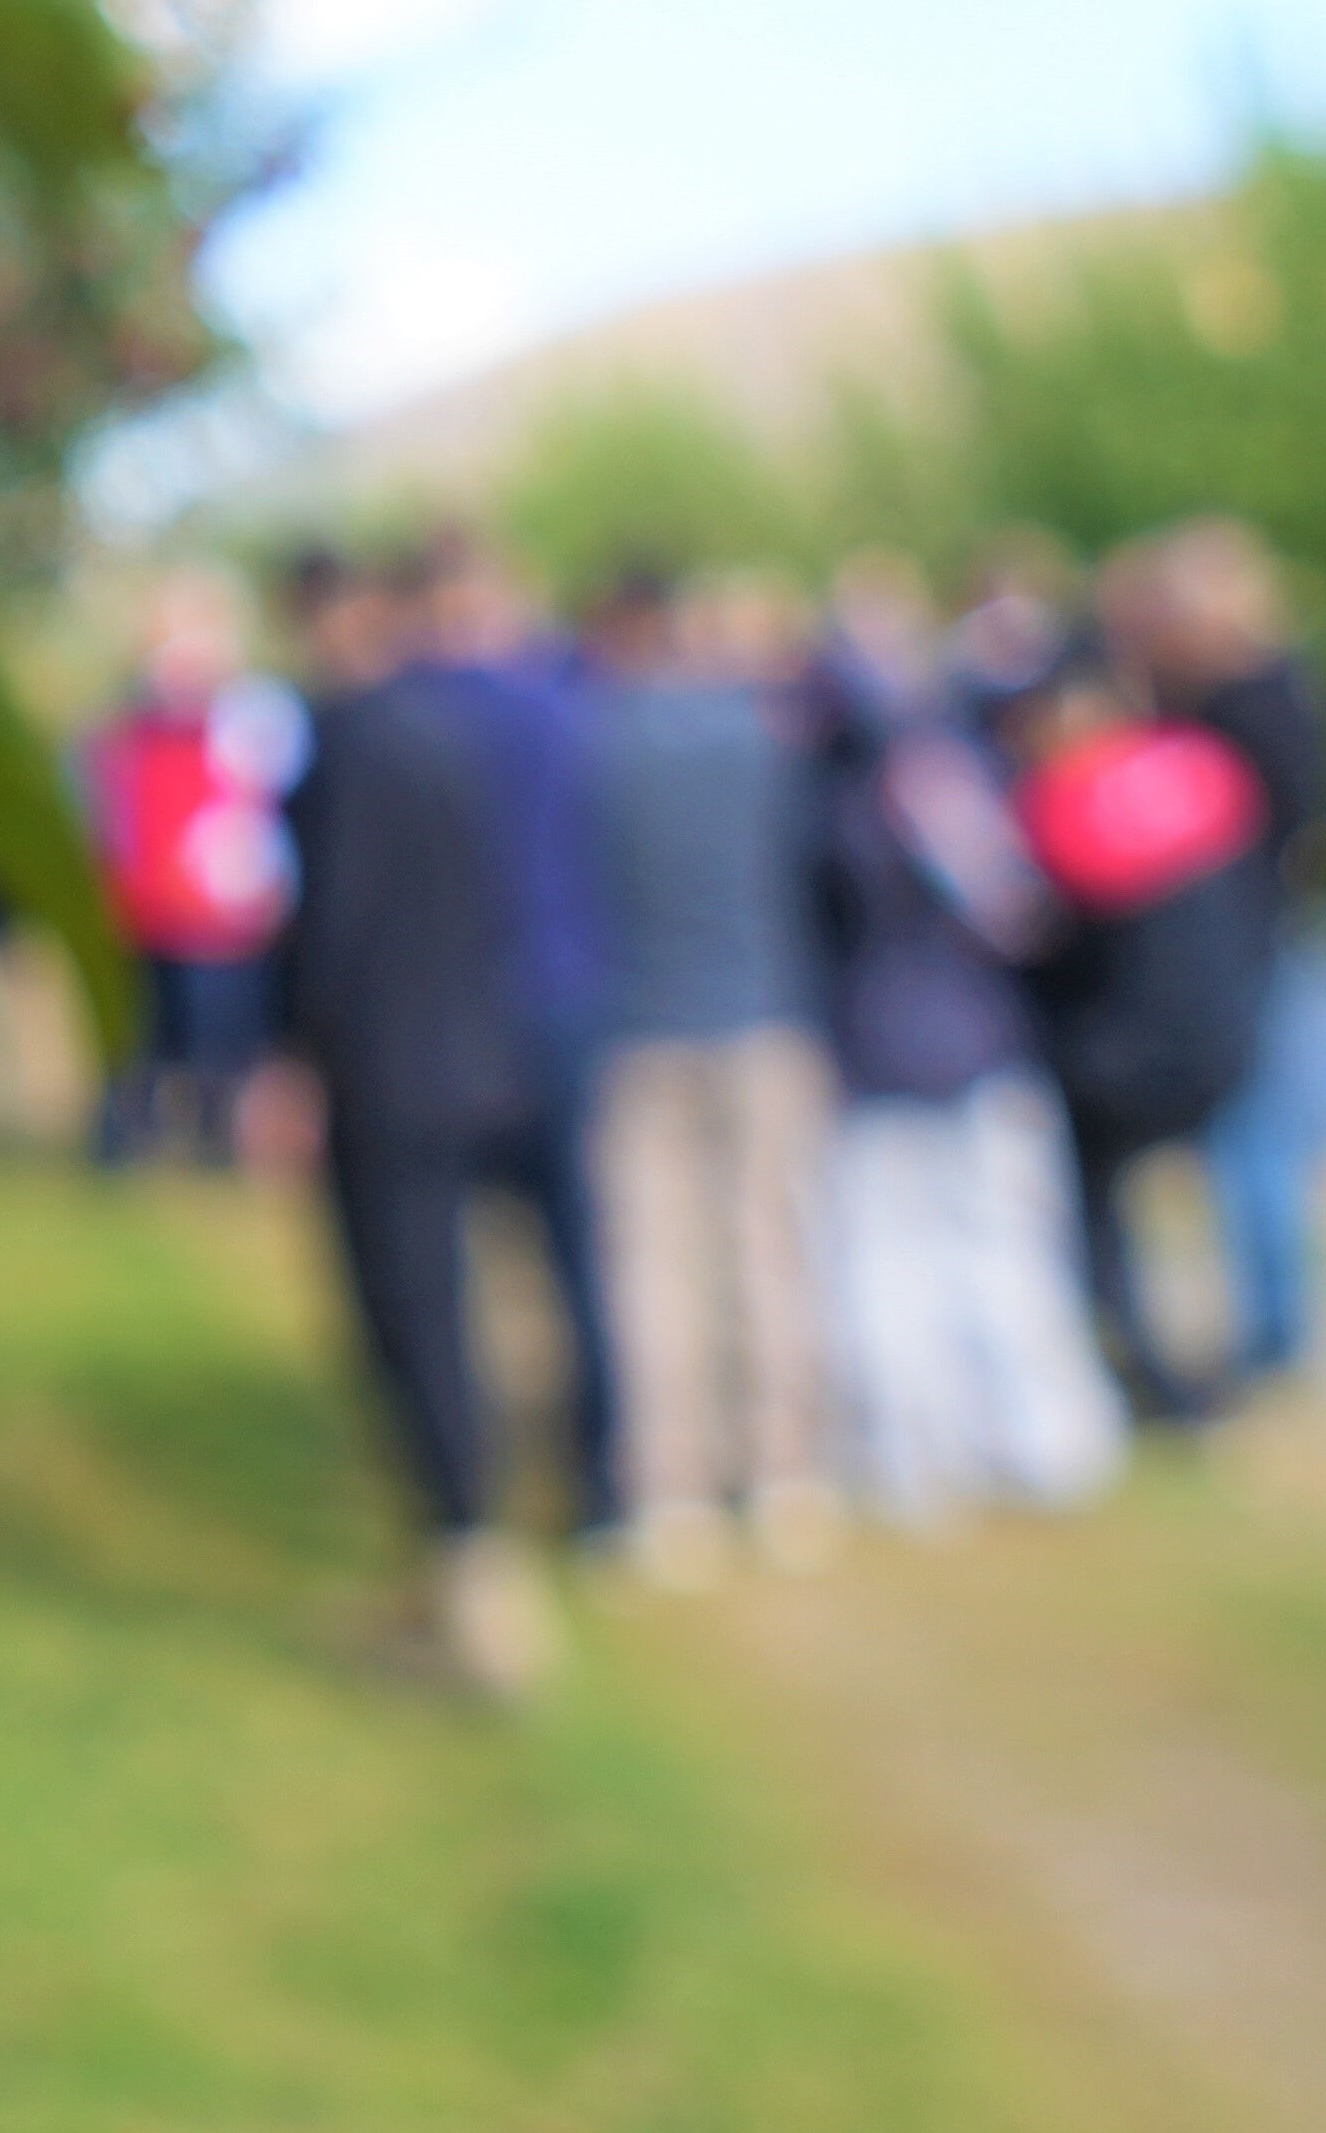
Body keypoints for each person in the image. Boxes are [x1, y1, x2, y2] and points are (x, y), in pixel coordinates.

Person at [261, 545, 615, 1696]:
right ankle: (539, 1511)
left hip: (392, 1066)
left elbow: (335, 926)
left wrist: (294, 1061)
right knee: (518, 1281)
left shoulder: (355, 739)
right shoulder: (481, 729)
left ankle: (470, 1570)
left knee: (413, 1306)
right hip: (494, 1046)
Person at [802, 558, 1125, 1524]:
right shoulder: (955, 774)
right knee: (989, 1246)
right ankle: (1033, 1441)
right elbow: (1012, 913)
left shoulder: (836, 790)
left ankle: (920, 1457)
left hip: (886, 1044)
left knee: (894, 1260)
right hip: (968, 1039)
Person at [576, 565, 833, 1573]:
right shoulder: (762, 738)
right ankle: (781, 1471)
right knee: (766, 1249)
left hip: (640, 1031)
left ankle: (668, 1491)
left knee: (652, 1266)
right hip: (760, 1019)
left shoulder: (597, 741)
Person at [1006, 636, 1279, 1428]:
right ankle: (1225, 1358)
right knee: (1219, 1198)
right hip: (1228, 1035)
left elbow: (1055, 949)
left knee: (1098, 1205)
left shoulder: (1064, 805)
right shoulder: (1201, 766)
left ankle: (1142, 1368)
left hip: (1132, 1058)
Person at [1106, 516, 1326, 1396]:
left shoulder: (1255, 701)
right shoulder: (1230, 695)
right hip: (1236, 948)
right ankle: (1268, 1324)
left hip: (1251, 949)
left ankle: (1275, 1332)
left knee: (1257, 1138)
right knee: (1246, 1140)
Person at [83, 569, 305, 1170]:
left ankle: (219, 1136)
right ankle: (136, 1133)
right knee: (142, 1039)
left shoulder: (253, 724)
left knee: (222, 1042)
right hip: (146, 910)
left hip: (224, 919)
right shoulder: (128, 731)